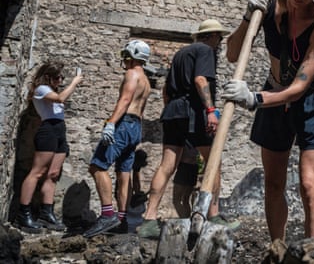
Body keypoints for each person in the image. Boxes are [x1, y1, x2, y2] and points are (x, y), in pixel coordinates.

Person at [223, 0, 314, 242]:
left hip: (310, 99)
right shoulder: (269, 7)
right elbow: (232, 54)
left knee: (310, 185)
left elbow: (298, 89)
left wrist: (253, 99)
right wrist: (249, 16)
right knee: (273, 183)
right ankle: (278, 250)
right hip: (274, 90)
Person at [137, 19, 230, 238]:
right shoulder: (206, 50)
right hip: (194, 111)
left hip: (173, 111)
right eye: (220, 37)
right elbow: (200, 80)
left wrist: (172, 110)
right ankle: (214, 215)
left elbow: (166, 90)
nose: (221, 42)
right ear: (213, 36)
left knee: (167, 165)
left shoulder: (181, 54)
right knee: (213, 162)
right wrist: (210, 110)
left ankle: (149, 219)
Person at [83, 40, 151, 237]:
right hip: (136, 126)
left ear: (131, 55)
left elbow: (125, 99)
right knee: (124, 173)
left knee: (97, 166)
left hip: (124, 124)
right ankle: (122, 220)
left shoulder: (132, 74)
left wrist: (111, 123)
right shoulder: (145, 79)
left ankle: (107, 215)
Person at [14, 61, 83, 232]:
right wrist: (75, 82)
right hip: (48, 130)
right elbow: (60, 99)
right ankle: (24, 214)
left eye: (62, 78)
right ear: (48, 77)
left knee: (52, 174)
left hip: (59, 130)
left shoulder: (51, 90)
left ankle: (47, 212)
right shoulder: (41, 90)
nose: (60, 80)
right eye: (58, 77)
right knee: (37, 172)